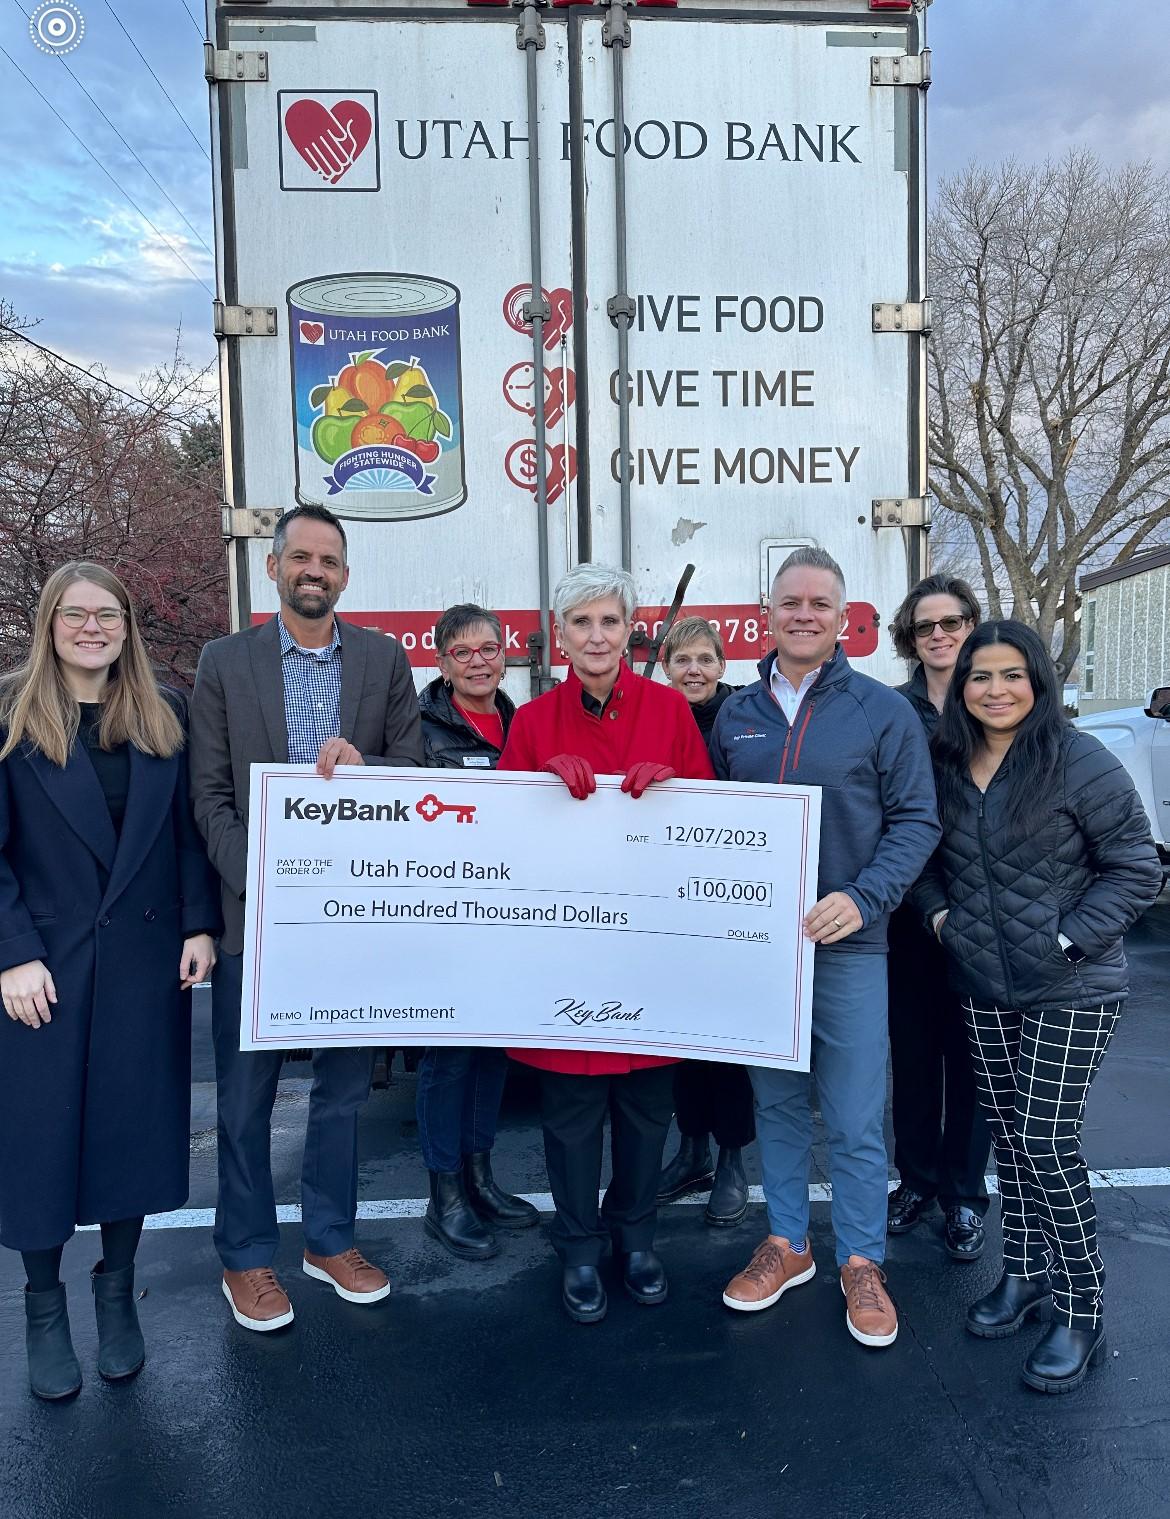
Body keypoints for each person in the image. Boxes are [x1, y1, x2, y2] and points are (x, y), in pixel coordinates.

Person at [190, 503, 424, 1332]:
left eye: (329, 559)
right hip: (257, 916)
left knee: (342, 1090)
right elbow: (209, 794)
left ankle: (329, 1239)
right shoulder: (225, 661)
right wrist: (261, 882)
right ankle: (246, 1256)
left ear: (346, 575)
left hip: (351, 923)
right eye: (300, 557)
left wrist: (371, 765)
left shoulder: (382, 660)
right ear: (275, 568)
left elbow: (414, 771)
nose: (314, 570)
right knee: (247, 1097)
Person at [915, 620, 1160, 1392]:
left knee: (1048, 1138)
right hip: (982, 984)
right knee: (1012, 1141)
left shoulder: (1078, 760)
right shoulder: (946, 760)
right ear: (962, 687)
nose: (995, 690)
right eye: (980, 676)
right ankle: (1022, 1274)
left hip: (1071, 985)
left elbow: (1134, 865)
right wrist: (940, 919)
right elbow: (920, 854)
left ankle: (1081, 1304)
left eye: (1012, 674)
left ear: (1040, 681)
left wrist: (1066, 943)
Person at [0, 563, 220, 1400]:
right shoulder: (10, 715)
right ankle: (44, 1303)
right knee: (40, 1144)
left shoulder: (163, 710)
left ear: (128, 626)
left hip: (141, 960)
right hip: (42, 973)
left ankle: (117, 1288)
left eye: (108, 615)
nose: (92, 627)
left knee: (131, 1133)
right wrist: (11, 950)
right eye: (75, 614)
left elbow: (186, 834)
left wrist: (199, 921)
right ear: (49, 622)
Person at [710, 547, 939, 1349]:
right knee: (774, 1103)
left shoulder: (882, 711)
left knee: (852, 1113)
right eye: (790, 601)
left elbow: (917, 821)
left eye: (820, 603)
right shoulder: (734, 713)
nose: (803, 613)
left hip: (849, 947)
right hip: (760, 953)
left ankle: (862, 1259)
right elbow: (701, 830)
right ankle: (788, 1242)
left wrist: (862, 896)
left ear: (844, 619)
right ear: (765, 612)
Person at [498, 564, 715, 1324]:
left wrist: (679, 792)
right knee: (571, 1117)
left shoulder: (670, 712)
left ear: (631, 631)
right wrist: (537, 793)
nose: (597, 635)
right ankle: (580, 1247)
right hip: (566, 960)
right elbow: (503, 845)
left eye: (610, 622)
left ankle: (639, 1238)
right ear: (563, 634)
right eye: (582, 622)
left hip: (649, 956)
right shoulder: (531, 723)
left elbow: (709, 830)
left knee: (647, 1113)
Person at [415, 604, 537, 1258]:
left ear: (504, 654)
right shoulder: (418, 727)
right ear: (440, 662)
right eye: (462, 652)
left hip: (508, 919)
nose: (478, 661)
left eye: (488, 649)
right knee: (448, 1057)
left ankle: (481, 1176)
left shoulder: (524, 723)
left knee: (492, 1050)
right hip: (446, 922)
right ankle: (445, 1195)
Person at [885, 576, 991, 1261]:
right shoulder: (891, 711)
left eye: (952, 622)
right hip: (909, 913)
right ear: (910, 636)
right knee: (915, 1060)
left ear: (971, 625)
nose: (941, 635)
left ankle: (963, 1196)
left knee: (975, 1065)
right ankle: (916, 1181)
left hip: (986, 915)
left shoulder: (999, 700)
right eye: (927, 626)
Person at [655, 617, 755, 1226]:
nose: (693, 670)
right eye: (682, 659)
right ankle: (690, 1150)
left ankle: (731, 1158)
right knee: (676, 1039)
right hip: (667, 904)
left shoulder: (746, 720)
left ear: (721, 665)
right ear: (666, 665)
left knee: (727, 1039)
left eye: (704, 659)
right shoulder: (655, 717)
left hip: (731, 901)